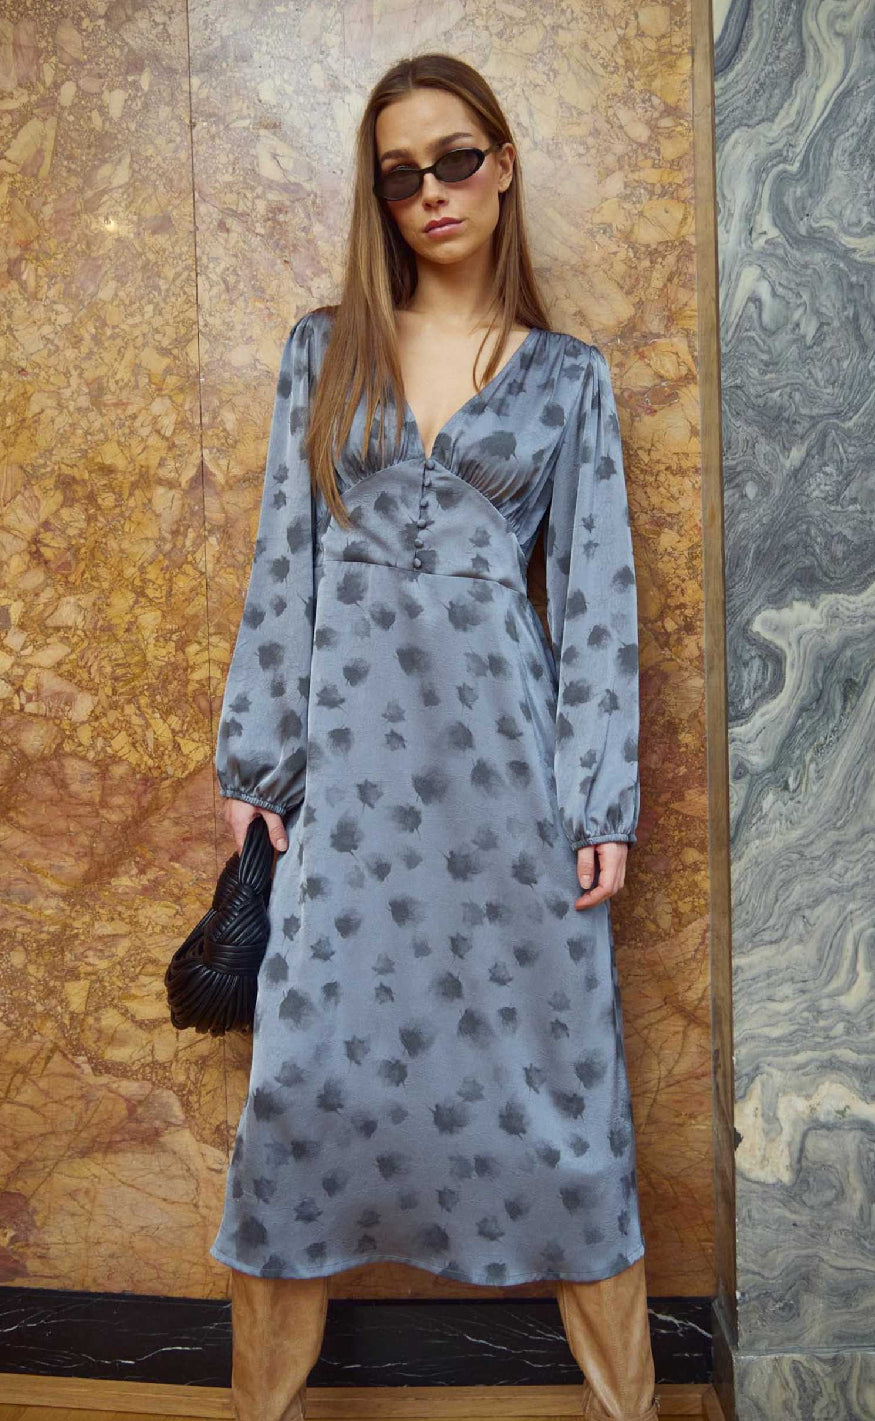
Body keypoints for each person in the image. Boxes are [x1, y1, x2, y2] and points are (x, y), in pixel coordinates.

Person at [211, 51, 659, 1421]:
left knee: (563, 1105)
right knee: (298, 1096)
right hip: (347, 788)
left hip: (511, 789)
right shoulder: (322, 349)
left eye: (456, 159)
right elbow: (282, 563)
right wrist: (257, 763)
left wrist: (600, 800)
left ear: (503, 165)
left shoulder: (567, 380)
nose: (432, 192)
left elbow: (598, 600)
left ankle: (632, 1405)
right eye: (401, 174)